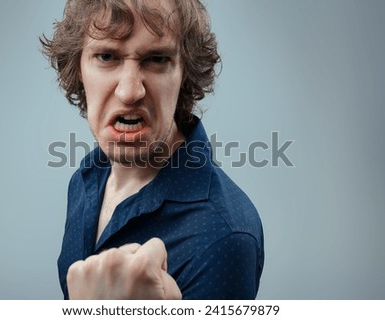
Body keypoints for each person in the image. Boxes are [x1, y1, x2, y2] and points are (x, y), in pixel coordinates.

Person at [41, 0, 264, 299]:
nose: (130, 91)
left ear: (184, 74)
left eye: (157, 59)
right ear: (79, 67)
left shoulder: (225, 235)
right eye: (107, 56)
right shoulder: (87, 177)